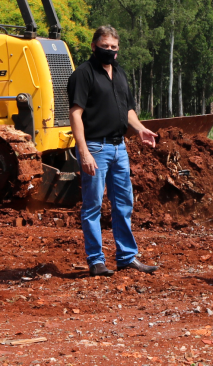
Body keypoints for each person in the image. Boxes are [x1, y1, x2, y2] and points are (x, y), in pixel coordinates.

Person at [67, 25, 159, 277]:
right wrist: (83, 151)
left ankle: (126, 257)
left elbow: (128, 109)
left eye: (113, 47)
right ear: (94, 46)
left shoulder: (119, 73)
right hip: (96, 147)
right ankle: (96, 260)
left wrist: (139, 129)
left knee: (123, 203)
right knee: (93, 205)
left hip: (119, 147)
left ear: (118, 51)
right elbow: (75, 113)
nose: (109, 51)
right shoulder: (83, 75)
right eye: (104, 46)